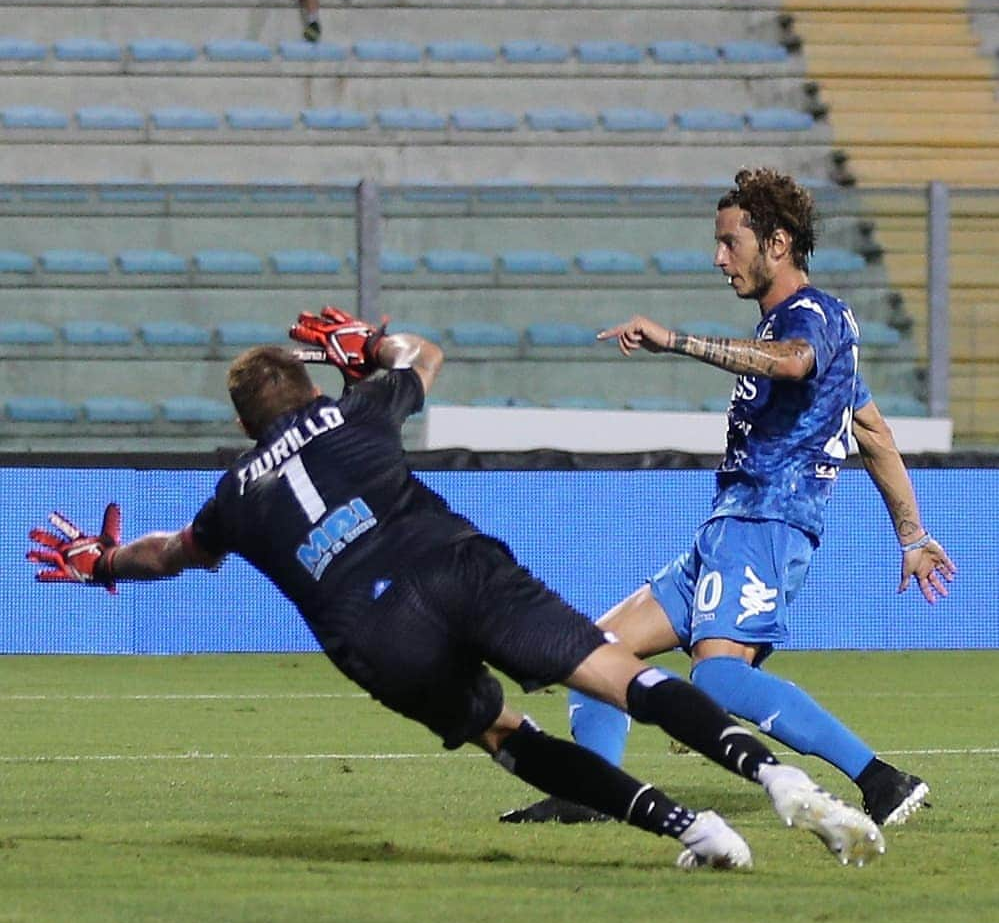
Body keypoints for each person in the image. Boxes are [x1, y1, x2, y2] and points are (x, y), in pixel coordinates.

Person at [26, 307, 884, 870]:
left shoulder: (236, 494)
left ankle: (691, 829)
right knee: (619, 673)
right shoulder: (351, 410)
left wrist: (100, 562)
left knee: (503, 732)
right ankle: (772, 777)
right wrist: (368, 343)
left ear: (246, 425)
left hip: (375, 632)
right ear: (310, 387)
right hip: (454, 565)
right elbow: (423, 355)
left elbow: (170, 553)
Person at [501, 167, 957, 828]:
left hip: (768, 522)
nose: (719, 258)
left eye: (729, 242)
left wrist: (676, 340)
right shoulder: (808, 331)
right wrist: (911, 536)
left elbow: (792, 361)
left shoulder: (812, 318)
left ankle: (881, 780)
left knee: (714, 680)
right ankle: (591, 788)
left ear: (776, 242)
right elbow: (872, 432)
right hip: (727, 527)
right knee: (593, 651)